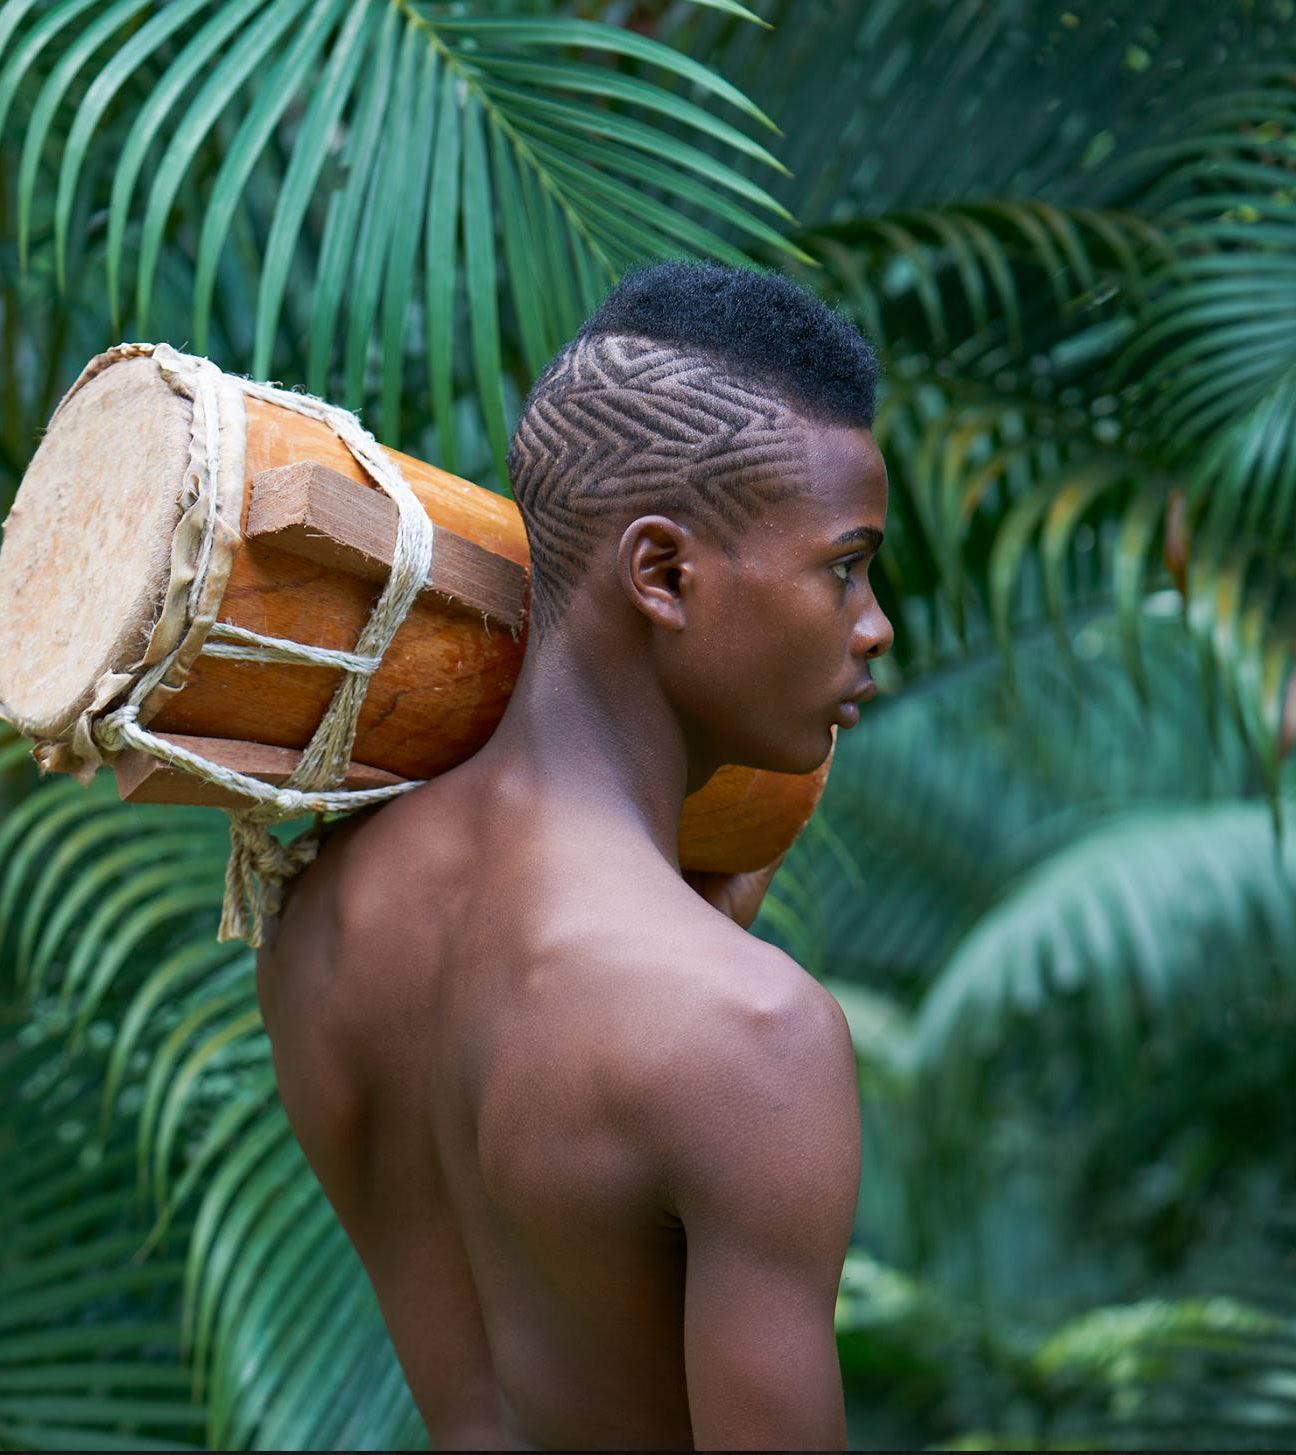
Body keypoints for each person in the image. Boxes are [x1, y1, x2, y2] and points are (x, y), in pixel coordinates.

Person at [255, 260, 893, 1450]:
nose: (873, 625)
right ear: (661, 575)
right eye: (843, 567)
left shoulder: (318, 917)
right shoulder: (750, 1039)